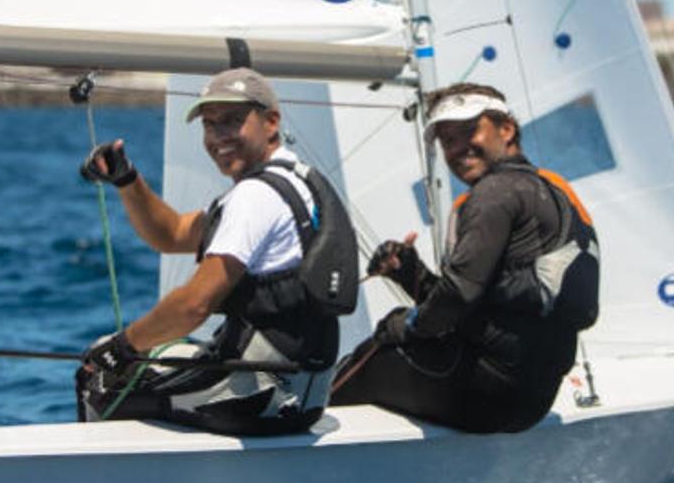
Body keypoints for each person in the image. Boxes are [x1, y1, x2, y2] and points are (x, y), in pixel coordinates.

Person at [76, 67, 352, 436]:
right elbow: (172, 234)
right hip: (303, 394)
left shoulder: (254, 197)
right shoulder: (294, 180)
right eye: (209, 124)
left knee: (98, 379)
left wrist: (120, 348)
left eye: (232, 121)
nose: (218, 136)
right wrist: (128, 180)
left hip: (258, 397)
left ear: (271, 122)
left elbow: (194, 305)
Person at [329, 82, 599, 433]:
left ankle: (292, 447)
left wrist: (406, 326)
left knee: (377, 350)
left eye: (468, 131)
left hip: (486, 392)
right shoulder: (548, 190)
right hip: (530, 396)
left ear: (506, 129)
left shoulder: (494, 193)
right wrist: (409, 272)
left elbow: (458, 297)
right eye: (447, 140)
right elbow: (480, 302)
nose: (457, 148)